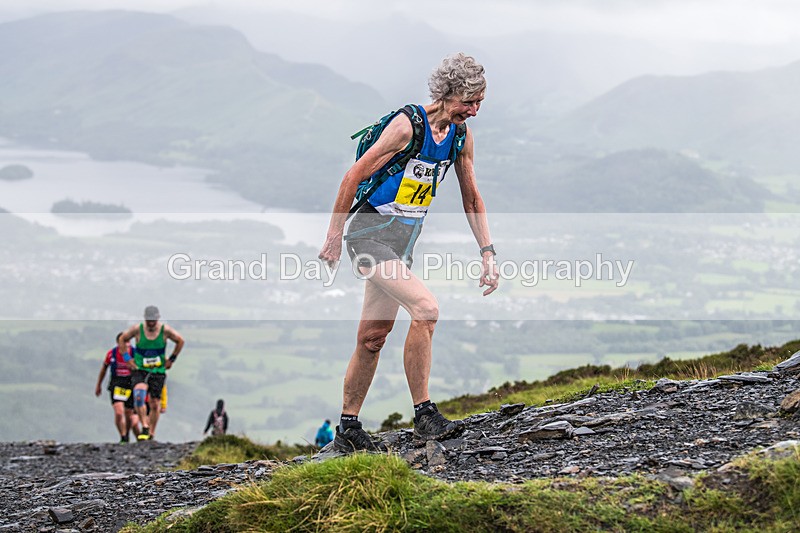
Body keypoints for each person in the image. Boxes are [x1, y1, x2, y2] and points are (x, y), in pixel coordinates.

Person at [318, 53, 498, 453]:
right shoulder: (406, 126)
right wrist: (333, 236)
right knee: (426, 309)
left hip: (401, 244)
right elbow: (353, 177)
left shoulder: (460, 137)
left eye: (480, 103)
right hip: (367, 237)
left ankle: (348, 427)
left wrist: (487, 252)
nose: (475, 111)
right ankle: (425, 415)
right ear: (450, 92)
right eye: (471, 102)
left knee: (372, 338)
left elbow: (472, 198)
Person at [119, 305, 185, 441]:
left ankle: (151, 433)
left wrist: (172, 359)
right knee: (139, 395)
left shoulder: (165, 330)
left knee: (155, 403)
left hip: (158, 370)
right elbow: (122, 339)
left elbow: (180, 341)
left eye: (153, 320)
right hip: (140, 369)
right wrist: (127, 359)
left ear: (158, 318)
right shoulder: (137, 330)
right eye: (149, 320)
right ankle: (144, 425)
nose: (151, 323)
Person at [94, 332, 141, 443]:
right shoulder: (112, 354)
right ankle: (123, 436)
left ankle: (127, 433)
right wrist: (98, 385)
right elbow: (104, 369)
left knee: (128, 414)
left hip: (130, 383)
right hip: (118, 383)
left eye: (127, 341)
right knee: (119, 412)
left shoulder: (134, 353)